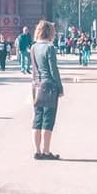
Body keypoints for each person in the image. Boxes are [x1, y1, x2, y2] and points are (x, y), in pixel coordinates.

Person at [30, 20, 63, 160]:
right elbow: (53, 70)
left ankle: (37, 151)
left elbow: (34, 70)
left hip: (37, 85)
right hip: (49, 85)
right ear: (50, 32)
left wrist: (34, 86)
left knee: (37, 119)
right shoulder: (50, 48)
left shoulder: (34, 47)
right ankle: (46, 151)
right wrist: (60, 87)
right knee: (48, 120)